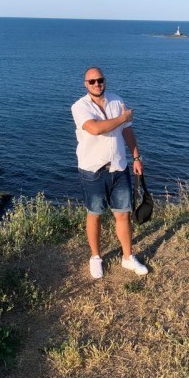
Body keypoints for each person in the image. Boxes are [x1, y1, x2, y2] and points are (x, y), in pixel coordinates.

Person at [71, 67, 148, 279]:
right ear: (85, 84)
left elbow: (127, 131)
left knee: (123, 214)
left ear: (104, 81)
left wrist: (136, 157)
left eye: (100, 80)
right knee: (94, 215)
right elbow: (95, 129)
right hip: (93, 171)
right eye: (92, 81)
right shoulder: (79, 106)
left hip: (119, 167)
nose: (97, 84)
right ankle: (96, 257)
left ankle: (127, 257)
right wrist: (123, 118)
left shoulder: (116, 101)